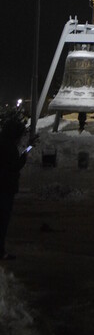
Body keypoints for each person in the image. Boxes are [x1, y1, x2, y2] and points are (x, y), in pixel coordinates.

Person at [0, 107, 29, 260]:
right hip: (6, 189)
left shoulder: (3, 142)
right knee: (3, 221)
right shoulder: (9, 147)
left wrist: (28, 148)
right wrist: (27, 151)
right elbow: (16, 164)